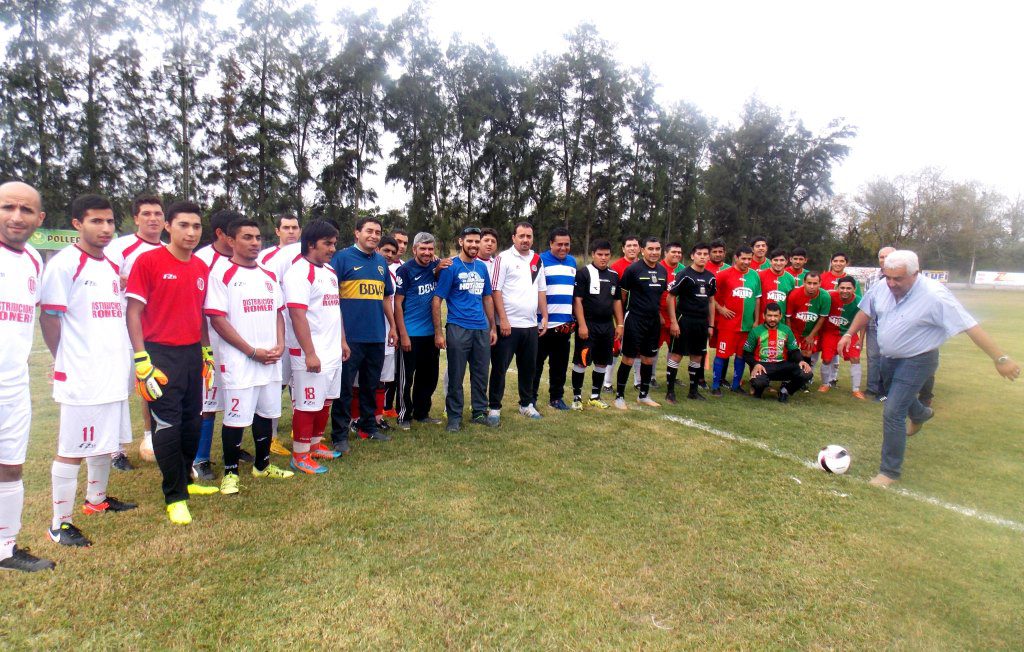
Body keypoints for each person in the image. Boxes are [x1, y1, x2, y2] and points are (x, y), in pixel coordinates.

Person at [839, 250, 1021, 487]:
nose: (891, 283)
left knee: (893, 411)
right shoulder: (883, 286)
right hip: (889, 358)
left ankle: (889, 472)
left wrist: (1001, 358)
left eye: (898, 279)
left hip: (918, 359)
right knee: (898, 396)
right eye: (888, 276)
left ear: (916, 274)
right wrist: (849, 333)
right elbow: (867, 310)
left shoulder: (935, 296)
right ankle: (921, 413)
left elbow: (970, 326)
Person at [39, 194, 138, 549]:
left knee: (104, 441)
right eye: (96, 221)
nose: (106, 228)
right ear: (77, 224)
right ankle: (59, 524)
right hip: (82, 374)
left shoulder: (113, 266)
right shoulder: (65, 264)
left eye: (110, 221)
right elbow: (49, 317)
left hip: (111, 370)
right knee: (72, 447)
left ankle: (97, 501)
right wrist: (64, 357)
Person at [125, 201, 219, 526]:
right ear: (169, 226)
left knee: (193, 423)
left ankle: (188, 481)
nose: (191, 232)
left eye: (196, 226)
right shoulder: (148, 261)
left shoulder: (200, 267)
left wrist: (207, 353)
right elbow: (133, 313)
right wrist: (141, 358)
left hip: (192, 354)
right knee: (168, 425)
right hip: (159, 355)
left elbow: (201, 315)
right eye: (184, 225)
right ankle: (174, 497)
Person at [204, 219, 294, 495]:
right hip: (239, 360)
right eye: (247, 237)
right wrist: (250, 350)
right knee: (235, 417)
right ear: (231, 241)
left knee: (266, 412)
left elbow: (279, 313)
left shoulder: (268, 275)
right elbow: (217, 319)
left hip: (270, 357)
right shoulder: (221, 274)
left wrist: (280, 343)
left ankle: (262, 465)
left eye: (257, 237)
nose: (255, 242)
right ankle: (230, 473)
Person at [0, 181, 55, 572]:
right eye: (7, 207)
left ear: (40, 218)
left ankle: (6, 547)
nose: (16, 217)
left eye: (25, 210)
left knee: (11, 463)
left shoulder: (35, 259)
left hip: (14, 383)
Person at [105, 194, 166, 470]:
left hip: (155, 330)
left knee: (150, 386)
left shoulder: (168, 249)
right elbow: (105, 276)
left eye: (157, 213)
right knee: (119, 389)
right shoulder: (121, 247)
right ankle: (113, 449)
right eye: (147, 213)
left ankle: (150, 438)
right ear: (136, 218)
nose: (153, 218)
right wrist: (137, 281)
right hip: (121, 330)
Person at [282, 220, 345, 474]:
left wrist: (342, 341)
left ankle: (316, 445)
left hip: (332, 351)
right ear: (310, 244)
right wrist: (309, 352)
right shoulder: (298, 273)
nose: (332, 249)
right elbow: (297, 315)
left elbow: (335, 310)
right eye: (327, 244)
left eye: (334, 244)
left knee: (326, 401)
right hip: (310, 353)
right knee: (307, 404)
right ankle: (300, 455)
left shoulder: (329, 272)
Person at [329, 217, 396, 452]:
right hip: (351, 338)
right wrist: (341, 336)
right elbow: (331, 299)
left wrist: (393, 327)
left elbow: (386, 298)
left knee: (370, 385)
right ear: (357, 233)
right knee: (345, 388)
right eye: (369, 231)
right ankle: (339, 435)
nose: (374, 236)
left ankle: (369, 427)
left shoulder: (380, 262)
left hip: (376, 335)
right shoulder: (342, 258)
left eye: (378, 232)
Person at [192, 209, 248, 482]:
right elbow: (198, 308)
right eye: (234, 234)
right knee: (208, 402)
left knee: (236, 398)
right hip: (211, 343)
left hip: (240, 344)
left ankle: (233, 449)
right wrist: (204, 347)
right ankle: (200, 458)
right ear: (221, 235)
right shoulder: (202, 260)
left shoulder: (247, 262)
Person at [433, 227, 497, 432]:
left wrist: (492, 327)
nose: (474, 245)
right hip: (458, 327)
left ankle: (479, 412)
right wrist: (439, 333)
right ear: (461, 242)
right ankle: (454, 417)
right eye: (470, 241)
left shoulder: (481, 267)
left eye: (477, 241)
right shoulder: (451, 266)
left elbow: (487, 297)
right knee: (456, 375)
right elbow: (437, 301)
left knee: (480, 374)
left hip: (481, 329)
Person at [488, 222, 548, 425]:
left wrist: (545, 316)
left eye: (528, 236)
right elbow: (495, 290)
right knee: (499, 368)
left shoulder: (538, 260)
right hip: (508, 326)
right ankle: (494, 407)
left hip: (530, 326)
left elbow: (541, 290)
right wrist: (503, 320)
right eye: (521, 236)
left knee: (528, 368)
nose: (525, 240)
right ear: (513, 237)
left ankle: (526, 405)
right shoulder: (502, 258)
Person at [259, 216, 303, 456]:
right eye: (285, 228)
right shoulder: (266, 258)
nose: (290, 232)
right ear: (277, 231)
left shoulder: (304, 256)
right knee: (277, 383)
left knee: (300, 381)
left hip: (300, 331)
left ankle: (300, 429)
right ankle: (272, 437)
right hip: (277, 331)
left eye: (294, 227)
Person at [613, 236, 668, 409]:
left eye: (657, 249)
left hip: (652, 322)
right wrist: (621, 321)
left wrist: (658, 315)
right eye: (650, 249)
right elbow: (621, 297)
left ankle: (643, 395)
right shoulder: (633, 270)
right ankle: (619, 397)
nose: (654, 252)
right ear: (642, 250)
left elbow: (658, 296)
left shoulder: (662, 271)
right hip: (634, 319)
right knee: (628, 358)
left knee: (648, 359)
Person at [394, 232, 442, 430]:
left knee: (429, 377)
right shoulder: (405, 270)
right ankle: (403, 415)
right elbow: (398, 305)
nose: (427, 253)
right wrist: (403, 334)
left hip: (430, 334)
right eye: (423, 249)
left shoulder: (435, 266)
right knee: (406, 379)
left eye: (430, 249)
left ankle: (422, 412)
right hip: (411, 333)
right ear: (414, 250)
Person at [569, 240, 623, 410]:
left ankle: (595, 396)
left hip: (607, 326)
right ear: (593, 254)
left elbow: (617, 301)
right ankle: (577, 397)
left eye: (607, 254)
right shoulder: (584, 273)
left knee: (602, 362)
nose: (603, 258)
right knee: (582, 361)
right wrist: (582, 325)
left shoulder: (614, 275)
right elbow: (577, 300)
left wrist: (620, 324)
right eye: (600, 254)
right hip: (588, 324)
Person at [665, 242, 716, 402]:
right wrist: (674, 322)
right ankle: (670, 391)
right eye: (699, 254)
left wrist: (711, 324)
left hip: (701, 322)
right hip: (684, 320)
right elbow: (670, 297)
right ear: (693, 256)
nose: (702, 257)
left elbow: (711, 301)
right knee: (677, 355)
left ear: (708, 257)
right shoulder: (684, 274)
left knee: (697, 356)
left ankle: (693, 391)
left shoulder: (710, 277)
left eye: (705, 254)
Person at [533, 227, 577, 411]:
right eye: (559, 244)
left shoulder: (573, 262)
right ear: (551, 243)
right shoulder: (539, 260)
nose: (563, 248)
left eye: (566, 244)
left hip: (564, 326)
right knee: (536, 364)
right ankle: (530, 398)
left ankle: (556, 398)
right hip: (542, 324)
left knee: (559, 366)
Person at [711, 246, 762, 396]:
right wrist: (720, 309)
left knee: (741, 356)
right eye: (743, 258)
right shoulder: (724, 274)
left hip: (747, 326)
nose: (746, 262)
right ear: (736, 258)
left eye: (749, 259)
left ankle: (735, 385)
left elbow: (758, 300)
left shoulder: (754, 275)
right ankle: (715, 386)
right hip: (728, 325)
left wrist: (756, 320)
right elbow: (710, 295)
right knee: (722, 354)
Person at [744, 302, 814, 402]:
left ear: (780, 316)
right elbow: (746, 353)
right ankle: (758, 391)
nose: (773, 319)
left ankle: (785, 391)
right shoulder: (756, 331)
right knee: (759, 382)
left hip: (782, 365)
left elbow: (794, 350)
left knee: (807, 373)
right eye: (769, 315)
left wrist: (801, 361)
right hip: (763, 366)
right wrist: (755, 364)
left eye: (776, 316)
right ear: (764, 316)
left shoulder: (786, 330)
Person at [818, 276, 864, 398]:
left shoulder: (859, 301)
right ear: (837, 288)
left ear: (854, 289)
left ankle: (856, 389)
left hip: (849, 333)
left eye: (848, 288)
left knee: (855, 358)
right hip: (831, 332)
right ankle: (825, 384)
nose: (845, 291)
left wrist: (861, 339)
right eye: (842, 288)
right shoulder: (830, 297)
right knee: (827, 359)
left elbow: (863, 321)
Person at [785, 271, 831, 382]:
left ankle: (803, 379)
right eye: (809, 283)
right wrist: (790, 336)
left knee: (807, 352)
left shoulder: (825, 296)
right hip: (795, 329)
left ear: (820, 283)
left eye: (815, 283)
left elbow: (822, 318)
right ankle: (789, 377)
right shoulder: (794, 294)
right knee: (792, 351)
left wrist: (811, 336)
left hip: (810, 330)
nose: (812, 286)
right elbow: (788, 317)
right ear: (804, 282)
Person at [865, 246, 895, 398]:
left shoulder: (903, 276)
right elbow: (867, 303)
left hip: (894, 325)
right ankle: (872, 388)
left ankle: (888, 390)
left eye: (888, 256)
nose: (884, 260)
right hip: (873, 324)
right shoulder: (871, 278)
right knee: (873, 356)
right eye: (882, 257)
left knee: (890, 357)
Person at [759, 249, 797, 318]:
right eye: (776, 260)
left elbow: (790, 302)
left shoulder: (791, 279)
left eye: (782, 260)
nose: (779, 263)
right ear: (770, 261)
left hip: (781, 321)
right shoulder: (760, 276)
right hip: (762, 320)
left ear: (786, 262)